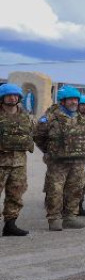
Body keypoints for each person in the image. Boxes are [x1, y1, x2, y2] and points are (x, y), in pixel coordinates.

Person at [33, 86, 85, 231]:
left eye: (76, 99)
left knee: (75, 189)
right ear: (62, 101)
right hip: (58, 162)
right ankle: (54, 218)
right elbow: (38, 136)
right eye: (71, 99)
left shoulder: (80, 117)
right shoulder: (51, 117)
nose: (74, 102)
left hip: (77, 161)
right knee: (55, 190)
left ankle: (70, 217)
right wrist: (49, 150)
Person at [0, 82, 34, 237]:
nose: (12, 98)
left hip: (19, 162)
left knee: (16, 193)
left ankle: (10, 225)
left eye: (15, 95)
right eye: (9, 95)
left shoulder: (25, 115)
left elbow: (32, 134)